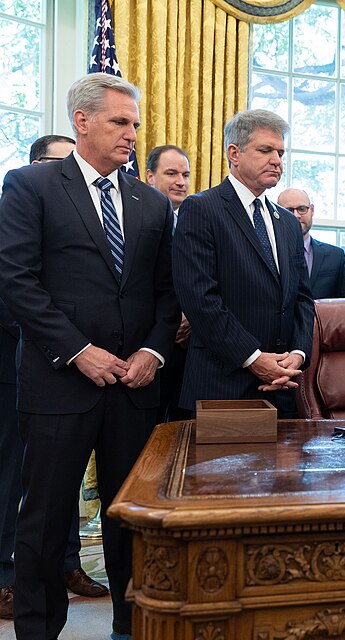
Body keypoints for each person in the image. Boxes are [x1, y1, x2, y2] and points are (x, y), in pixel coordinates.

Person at [0, 73, 180, 639]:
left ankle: (129, 626)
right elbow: (16, 278)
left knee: (130, 522)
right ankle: (37, 629)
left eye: (134, 123)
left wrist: (152, 350)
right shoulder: (31, 185)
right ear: (82, 121)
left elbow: (166, 289)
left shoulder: (151, 202)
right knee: (46, 523)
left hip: (134, 386)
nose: (132, 134)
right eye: (119, 122)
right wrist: (79, 352)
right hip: (60, 384)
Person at [0, 134, 110, 622]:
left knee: (61, 479)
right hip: (18, 362)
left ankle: (67, 564)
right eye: (56, 160)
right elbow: (16, 285)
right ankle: (5, 576)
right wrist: (62, 344)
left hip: (85, 365)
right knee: (17, 481)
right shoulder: (22, 199)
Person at [173, 109, 314, 418]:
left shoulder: (288, 223)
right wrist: (253, 359)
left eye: (280, 152)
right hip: (221, 387)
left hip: (281, 389)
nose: (277, 159)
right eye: (266, 150)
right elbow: (200, 300)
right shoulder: (202, 208)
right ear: (234, 154)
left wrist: (298, 355)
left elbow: (302, 298)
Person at [146, 144, 193, 424]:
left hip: (187, 348)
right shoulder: (133, 219)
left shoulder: (196, 219)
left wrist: (192, 319)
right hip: (147, 344)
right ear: (150, 176)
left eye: (185, 175)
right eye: (172, 173)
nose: (181, 182)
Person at [277, 187, 345, 299]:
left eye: (302, 209)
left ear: (312, 210)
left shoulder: (336, 256)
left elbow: (342, 304)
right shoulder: (268, 253)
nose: (296, 215)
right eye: (288, 211)